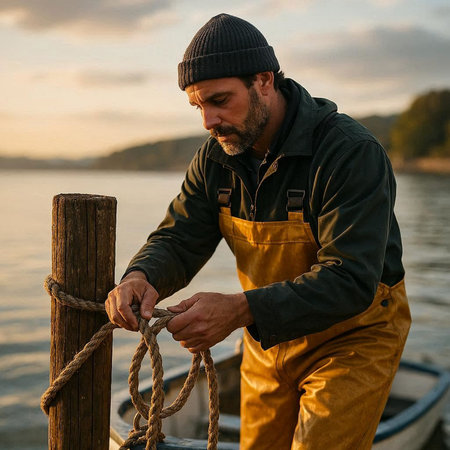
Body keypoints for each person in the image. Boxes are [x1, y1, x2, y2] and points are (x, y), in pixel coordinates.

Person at [106, 13, 411, 450]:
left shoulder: (350, 153)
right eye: (199, 106)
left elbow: (351, 278)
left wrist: (238, 310)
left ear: (264, 81)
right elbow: (179, 237)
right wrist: (140, 276)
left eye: (220, 100)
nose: (209, 121)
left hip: (354, 338)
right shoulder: (215, 160)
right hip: (268, 340)